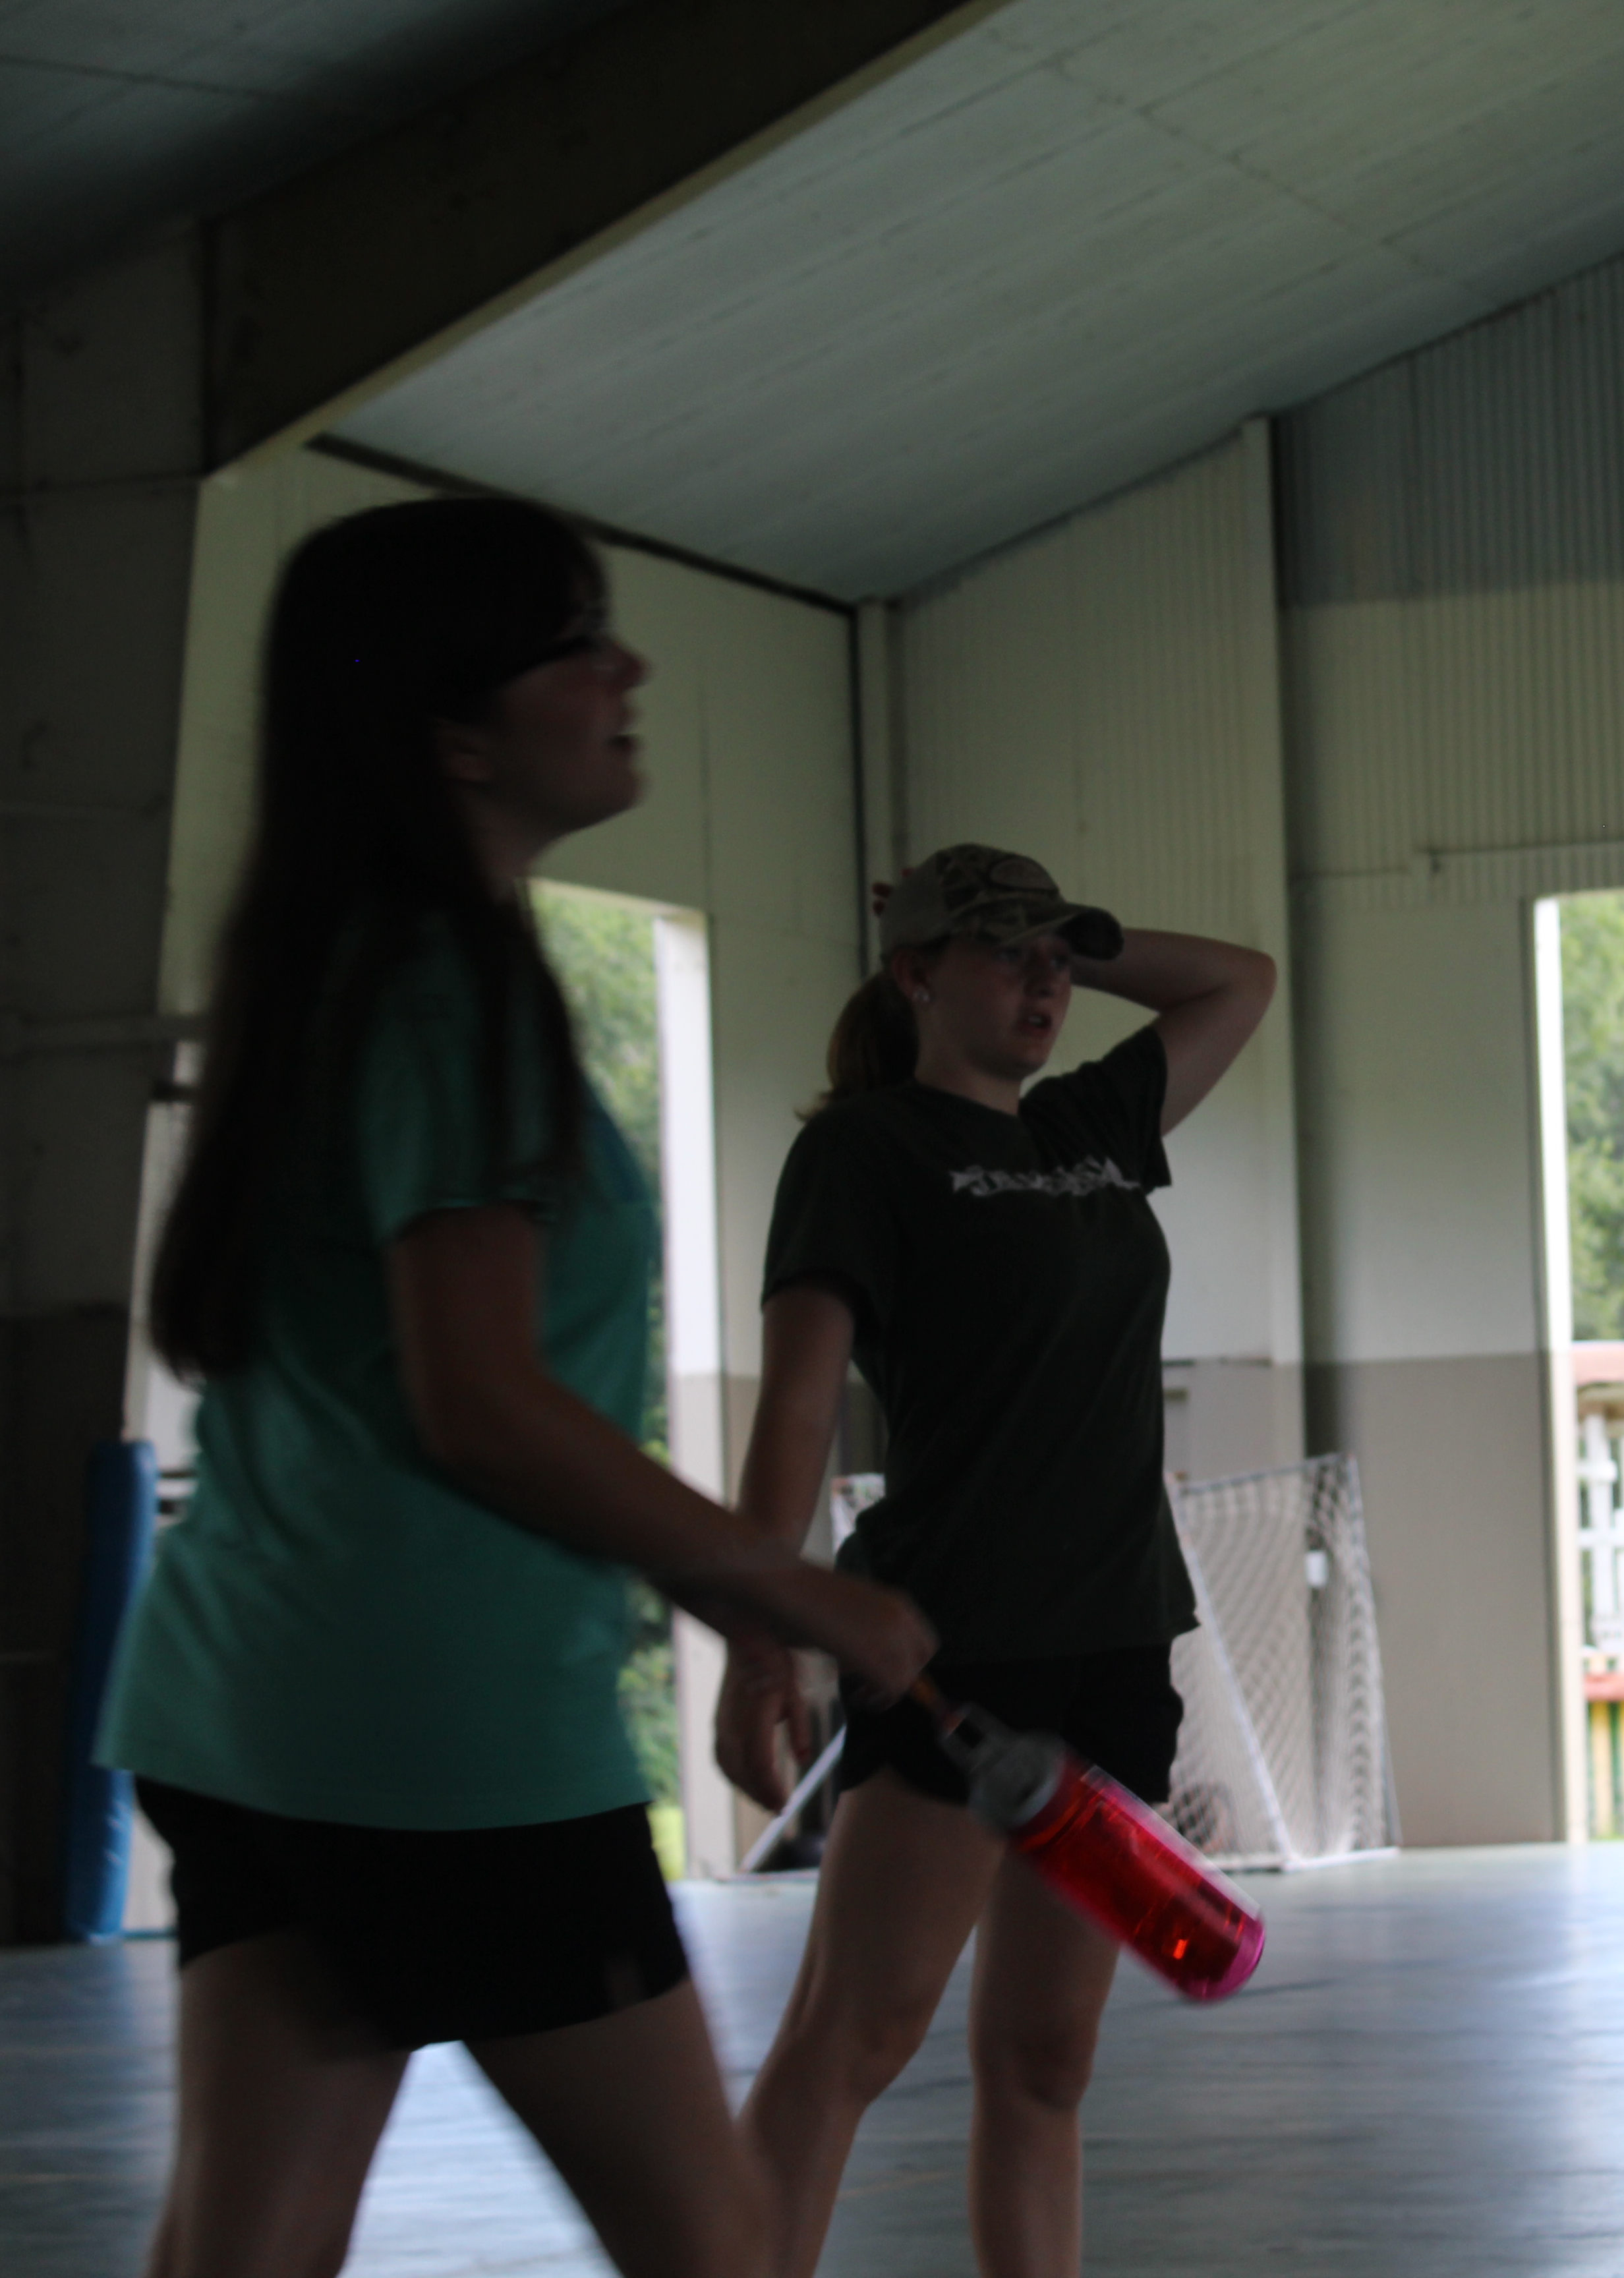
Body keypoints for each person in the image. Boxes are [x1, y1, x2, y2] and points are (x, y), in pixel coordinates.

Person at [99, 496, 934, 2278]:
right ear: (453, 732)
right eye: (574, 644)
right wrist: (792, 1590)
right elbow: (476, 1401)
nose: (627, 669)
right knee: (717, 2246)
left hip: (246, 1706)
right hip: (445, 1736)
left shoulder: (335, 968)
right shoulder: (447, 990)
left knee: (245, 2248)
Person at [714, 842, 1275, 2278]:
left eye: (1057, 959)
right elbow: (795, 1407)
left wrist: (1081, 930)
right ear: (915, 975)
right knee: (855, 2036)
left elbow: (1239, 982)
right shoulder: (863, 1151)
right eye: (1004, 953)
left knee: (1045, 2058)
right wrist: (760, 1632)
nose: (1046, 983)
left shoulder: (1092, 1124)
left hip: (1114, 1641)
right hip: (953, 1647)